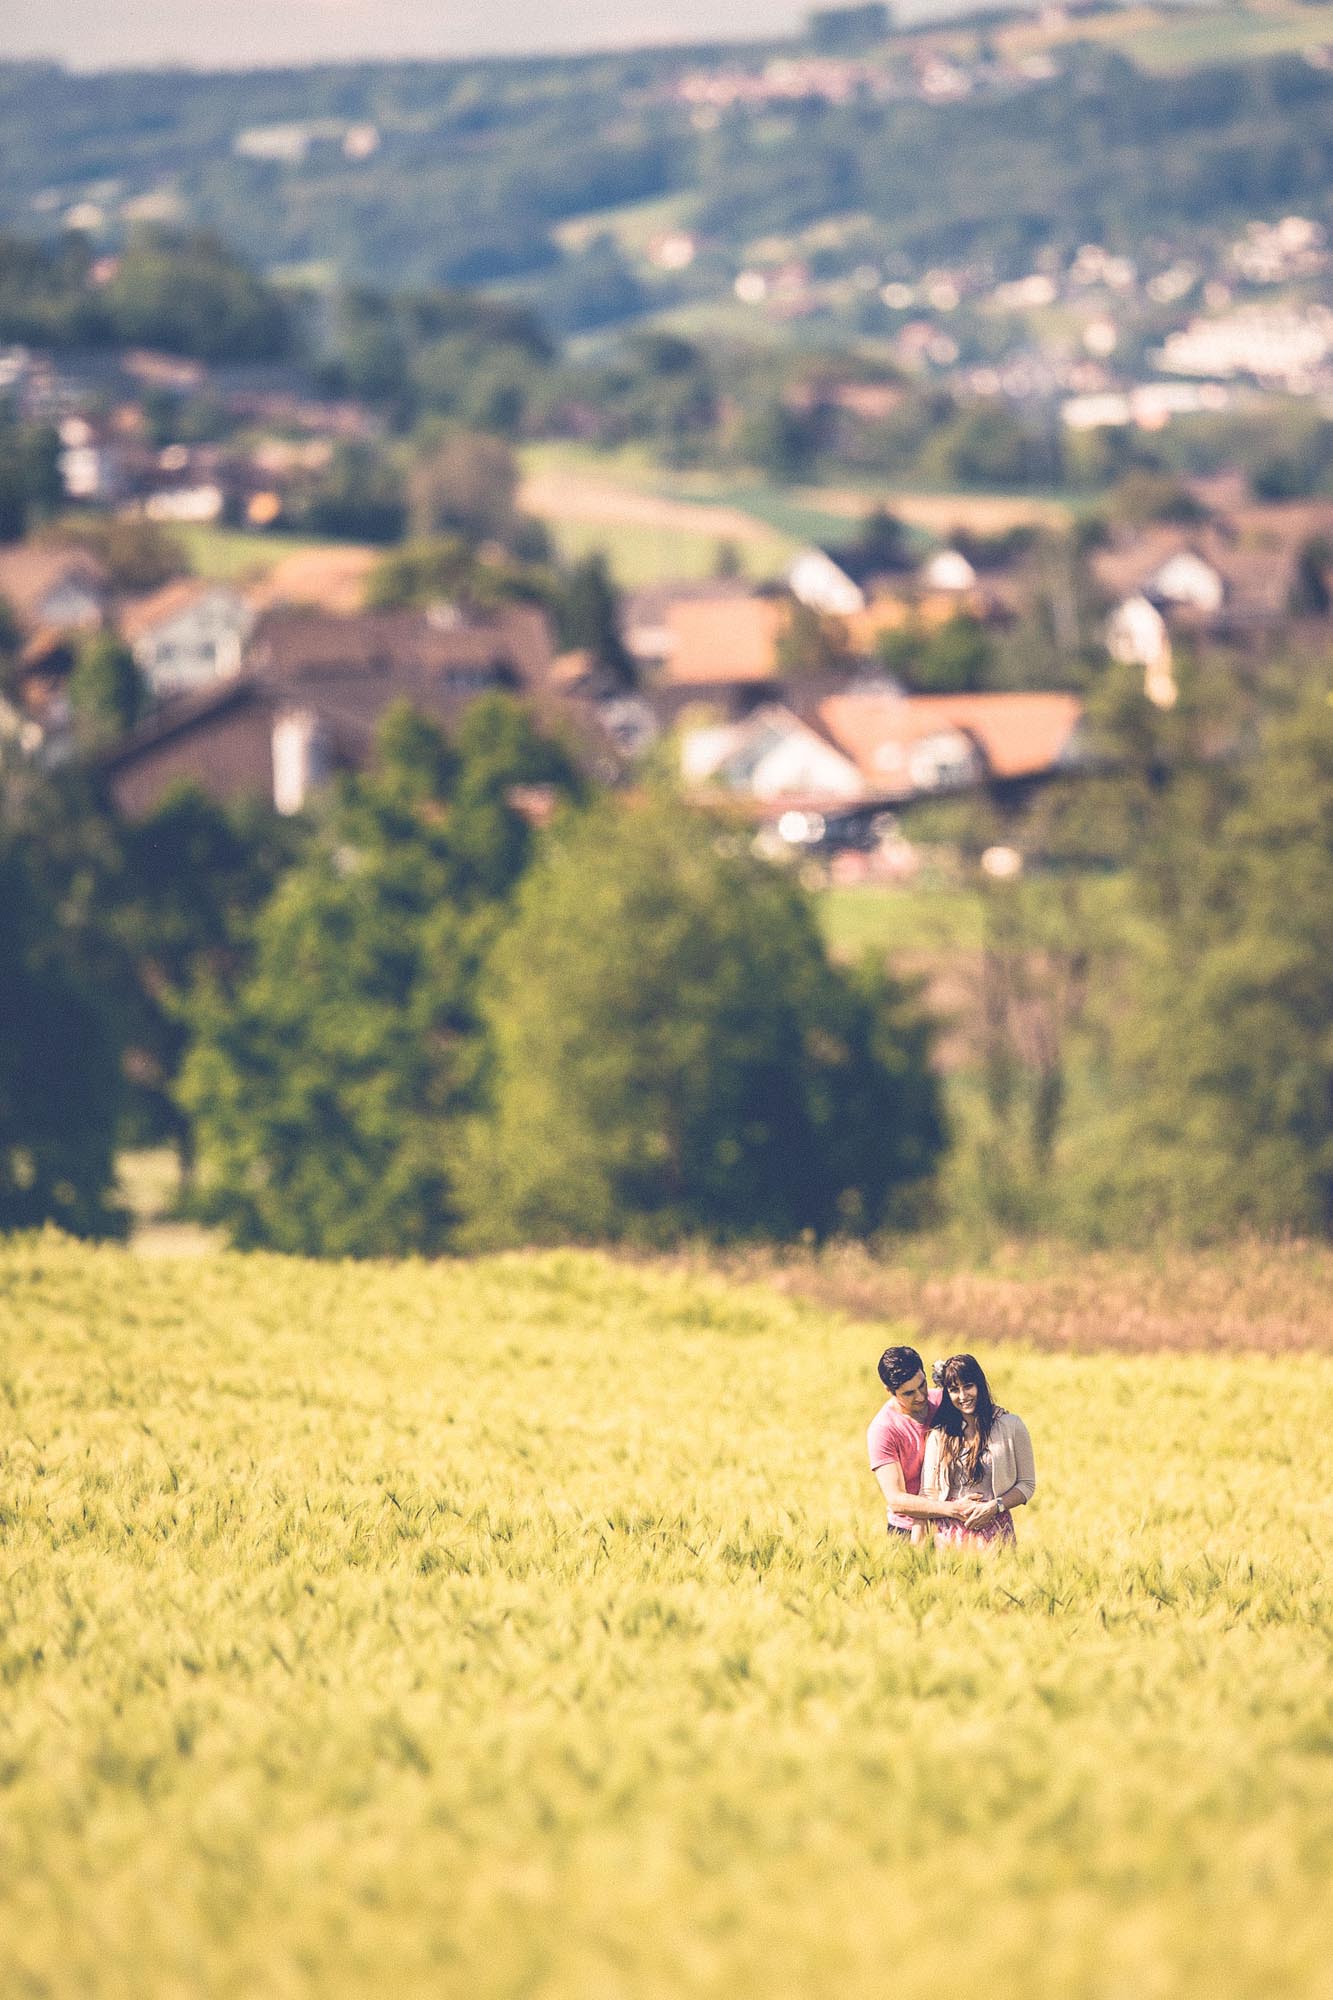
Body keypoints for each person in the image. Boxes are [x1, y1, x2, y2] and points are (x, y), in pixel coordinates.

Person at [920, 1353, 1036, 1550]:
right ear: (947, 1394)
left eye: (968, 1386)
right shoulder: (939, 1435)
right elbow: (928, 1492)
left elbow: (1027, 1484)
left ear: (979, 1385)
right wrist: (953, 1510)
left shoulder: (1011, 1425)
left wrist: (994, 1506)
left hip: (997, 1533)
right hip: (950, 1538)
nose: (963, 1396)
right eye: (954, 1390)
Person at [866, 1344, 969, 1541]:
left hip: (954, 1527)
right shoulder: (883, 1430)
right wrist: (951, 1509)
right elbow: (896, 1499)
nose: (921, 1396)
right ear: (889, 1391)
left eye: (922, 1385)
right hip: (906, 1533)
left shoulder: (945, 1402)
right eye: (909, 1393)